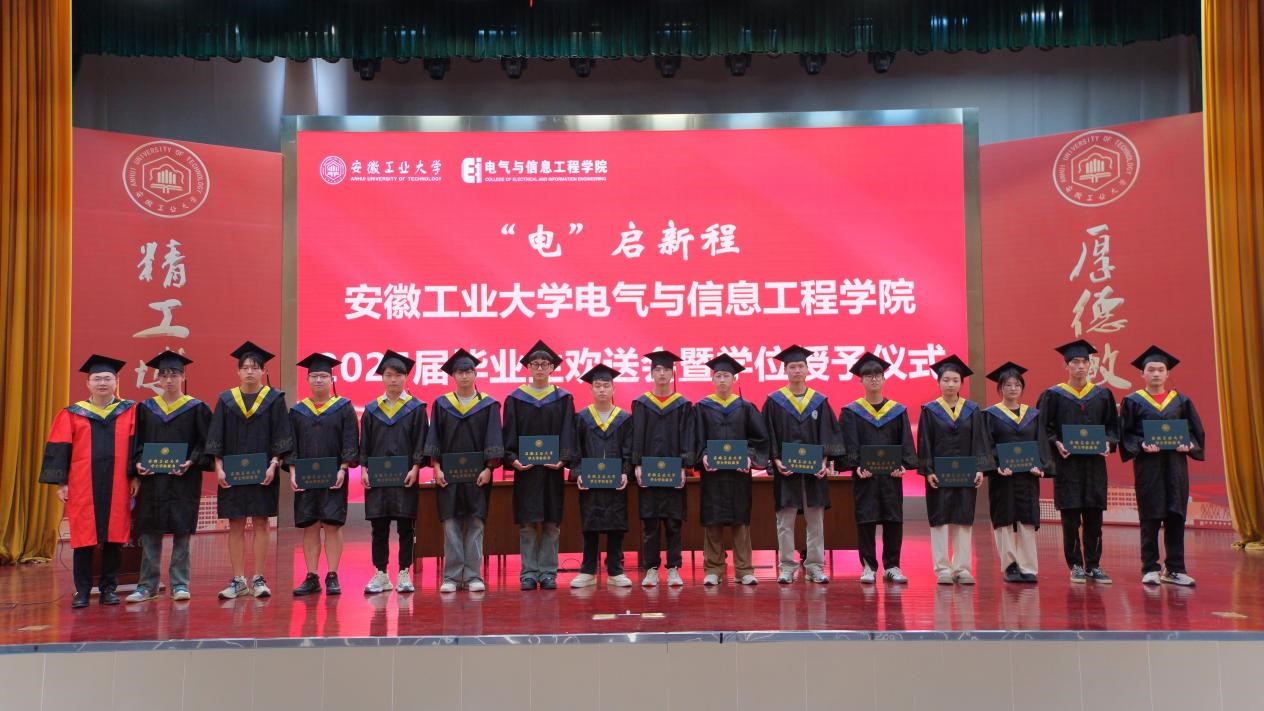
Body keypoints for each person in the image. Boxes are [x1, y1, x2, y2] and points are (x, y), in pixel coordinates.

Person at [40, 355, 138, 608]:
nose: (102, 383)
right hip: (83, 483)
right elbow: (60, 448)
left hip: (119, 483)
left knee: (115, 537)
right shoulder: (72, 414)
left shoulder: (129, 412)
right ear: (88, 383)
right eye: (97, 379)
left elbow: (137, 447)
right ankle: (82, 591)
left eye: (107, 378)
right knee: (84, 538)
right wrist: (61, 483)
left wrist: (136, 476)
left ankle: (109, 589)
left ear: (116, 382)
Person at [207, 341, 294, 600]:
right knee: (235, 523)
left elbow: (282, 435)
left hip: (264, 472)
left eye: (255, 368)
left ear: (263, 371)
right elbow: (216, 437)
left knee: (261, 522)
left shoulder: (274, 400)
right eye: (245, 367)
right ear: (238, 371)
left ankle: (258, 578)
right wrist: (219, 469)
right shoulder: (226, 400)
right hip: (232, 474)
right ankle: (238, 580)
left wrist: (274, 464)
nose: (249, 372)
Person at [127, 351, 211, 603]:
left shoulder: (197, 408)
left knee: (182, 532)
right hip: (153, 480)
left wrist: (191, 461)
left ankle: (180, 584)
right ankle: (147, 586)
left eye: (174, 374)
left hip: (183, 480)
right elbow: (136, 443)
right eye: (163, 375)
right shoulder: (146, 409)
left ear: (183, 377)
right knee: (150, 532)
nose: (169, 379)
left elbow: (206, 443)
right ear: (158, 379)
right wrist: (138, 463)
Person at [1119, 345, 1205, 587]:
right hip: (1149, 467)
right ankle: (1150, 568)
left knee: (1176, 515)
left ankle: (1175, 569)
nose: (1156, 373)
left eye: (1160, 369)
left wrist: (1189, 445)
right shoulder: (1133, 402)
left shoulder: (1181, 401)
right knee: (1150, 516)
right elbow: (1125, 434)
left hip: (1176, 468)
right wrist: (1141, 444)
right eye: (1151, 369)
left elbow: (1195, 432)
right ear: (1142, 373)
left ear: (1168, 374)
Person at [1036, 339, 1119, 584]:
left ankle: (1093, 564)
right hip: (1068, 465)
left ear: (1090, 365)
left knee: (1094, 516)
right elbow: (1043, 428)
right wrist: (1056, 443)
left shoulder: (1102, 395)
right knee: (1070, 517)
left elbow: (1113, 428)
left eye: (1084, 362)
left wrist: (1108, 442)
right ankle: (1075, 565)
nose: (1080, 366)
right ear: (1066, 365)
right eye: (1075, 362)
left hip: (1094, 465)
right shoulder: (1054, 395)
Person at [423, 349, 503, 593]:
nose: (465, 375)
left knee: (476, 523)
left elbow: (493, 437)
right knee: (451, 524)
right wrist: (436, 468)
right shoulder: (442, 404)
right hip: (448, 476)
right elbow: (435, 437)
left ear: (475, 374)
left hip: (478, 475)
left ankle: (473, 576)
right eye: (460, 372)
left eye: (469, 371)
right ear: (453, 375)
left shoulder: (488, 405)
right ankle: (451, 577)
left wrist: (489, 468)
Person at [761, 345, 841, 585]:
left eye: (800, 366)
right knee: (785, 522)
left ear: (807, 369)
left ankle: (815, 566)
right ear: (785, 370)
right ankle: (786, 566)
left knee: (815, 521)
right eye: (792, 367)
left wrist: (824, 462)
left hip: (814, 474)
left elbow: (829, 433)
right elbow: (767, 434)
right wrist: (775, 459)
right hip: (786, 472)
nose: (797, 370)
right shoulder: (774, 402)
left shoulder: (819, 402)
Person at [502, 340, 576, 591]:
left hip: (552, 471)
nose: (540, 368)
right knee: (527, 523)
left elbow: (568, 431)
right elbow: (509, 433)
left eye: (545, 364)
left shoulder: (563, 398)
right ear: (529, 367)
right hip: (526, 472)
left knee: (551, 522)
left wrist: (564, 458)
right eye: (536, 364)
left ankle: (548, 573)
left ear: (552, 368)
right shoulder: (516, 399)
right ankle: (528, 573)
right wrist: (512, 458)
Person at [838, 352, 916, 584]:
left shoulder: (897, 411)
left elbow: (905, 443)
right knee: (866, 519)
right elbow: (848, 443)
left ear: (884, 379)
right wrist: (856, 465)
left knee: (894, 519)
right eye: (868, 376)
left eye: (878, 375)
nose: (873, 379)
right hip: (866, 477)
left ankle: (892, 566)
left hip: (891, 477)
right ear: (860, 380)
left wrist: (902, 465)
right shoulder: (851, 412)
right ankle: (868, 566)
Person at [694, 353, 769, 586]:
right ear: (712, 379)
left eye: (726, 375)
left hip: (738, 475)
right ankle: (713, 569)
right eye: (718, 376)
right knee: (712, 521)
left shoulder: (745, 407)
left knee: (741, 521)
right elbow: (695, 439)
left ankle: (744, 569)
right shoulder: (702, 408)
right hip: (713, 475)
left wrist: (749, 457)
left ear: (734, 379)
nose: (722, 380)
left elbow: (760, 439)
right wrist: (703, 456)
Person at [918, 354, 992, 585]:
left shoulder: (972, 410)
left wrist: (980, 468)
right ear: (938, 382)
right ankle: (942, 568)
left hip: (965, 474)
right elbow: (925, 442)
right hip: (939, 475)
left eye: (955, 380)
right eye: (946, 380)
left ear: (961, 383)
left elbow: (979, 440)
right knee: (940, 519)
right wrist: (928, 471)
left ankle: (962, 568)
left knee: (962, 519)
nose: (950, 384)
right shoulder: (930, 410)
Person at [288, 353, 358, 596]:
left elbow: (350, 440)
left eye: (323, 376)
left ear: (332, 379)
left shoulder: (344, 408)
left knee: (332, 524)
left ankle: (332, 575)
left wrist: (343, 468)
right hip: (306, 478)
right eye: (314, 376)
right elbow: (291, 445)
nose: (319, 380)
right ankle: (311, 576)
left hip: (334, 476)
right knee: (310, 525)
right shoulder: (298, 411)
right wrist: (293, 472)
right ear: (307, 379)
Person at [361, 350, 428, 595]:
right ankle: (380, 574)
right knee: (378, 527)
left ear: (406, 377)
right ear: (382, 377)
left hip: (406, 477)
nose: (393, 380)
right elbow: (365, 443)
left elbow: (421, 441)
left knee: (406, 526)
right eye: (388, 375)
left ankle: (404, 573)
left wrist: (416, 467)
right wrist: (364, 469)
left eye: (398, 375)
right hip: (378, 478)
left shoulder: (416, 408)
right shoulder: (372, 410)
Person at [632, 349, 695, 588]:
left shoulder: (682, 405)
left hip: (673, 470)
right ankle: (651, 569)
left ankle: (673, 568)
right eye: (657, 369)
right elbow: (637, 435)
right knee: (650, 522)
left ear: (672, 373)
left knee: (673, 522)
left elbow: (687, 437)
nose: (661, 373)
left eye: (666, 369)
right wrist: (637, 464)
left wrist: (683, 466)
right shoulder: (642, 404)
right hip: (648, 470)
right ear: (651, 373)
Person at [569, 364, 634, 588]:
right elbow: (576, 449)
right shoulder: (582, 418)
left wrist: (626, 472)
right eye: (597, 386)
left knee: (616, 524)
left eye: (606, 385)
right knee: (590, 524)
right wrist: (578, 473)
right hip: (591, 481)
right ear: (591, 389)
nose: (602, 389)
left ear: (613, 389)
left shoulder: (624, 419)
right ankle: (587, 571)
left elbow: (629, 450)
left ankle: (616, 570)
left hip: (616, 482)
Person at [982, 361, 1047, 584]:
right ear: (1000, 388)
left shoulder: (1033, 414)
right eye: (1008, 385)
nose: (1013, 388)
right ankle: (1010, 566)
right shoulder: (990, 415)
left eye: (1017, 385)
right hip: (1003, 477)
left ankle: (1028, 566)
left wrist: (1040, 466)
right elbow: (986, 445)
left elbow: (1041, 443)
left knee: (1027, 520)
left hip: (1028, 476)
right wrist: (996, 465)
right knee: (1005, 519)